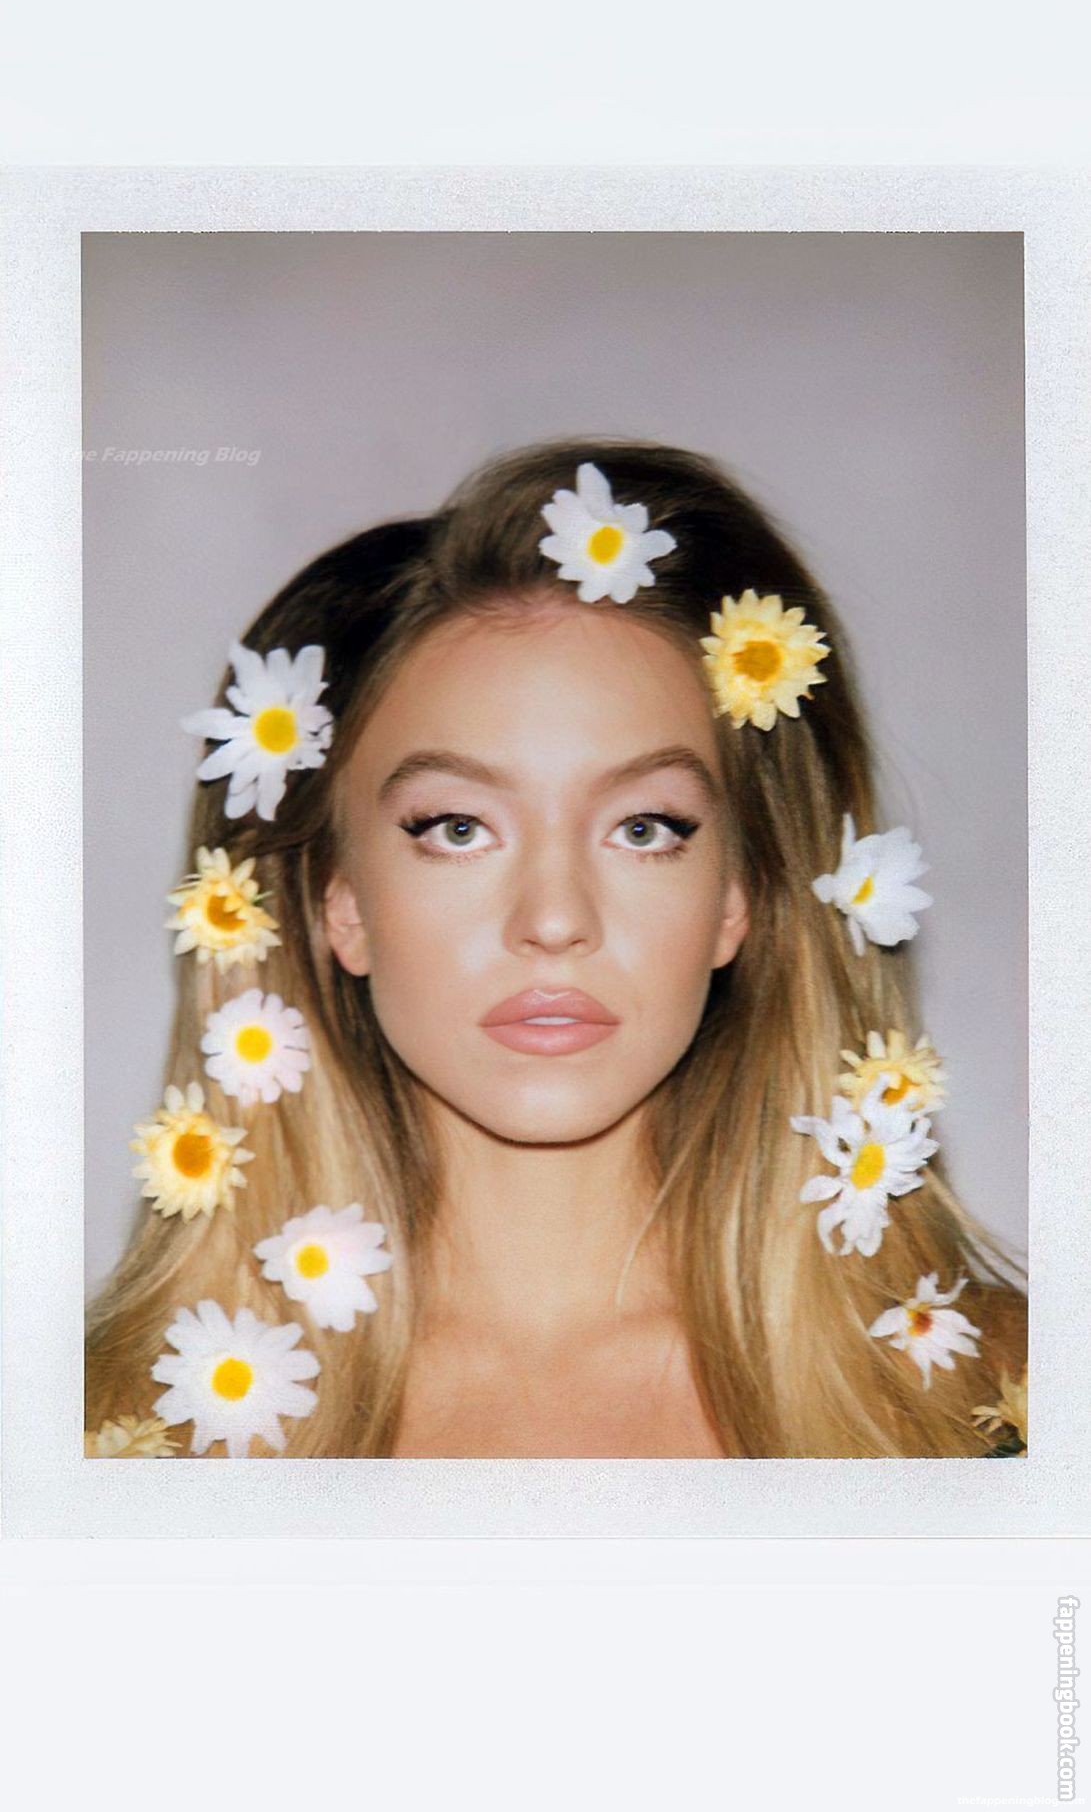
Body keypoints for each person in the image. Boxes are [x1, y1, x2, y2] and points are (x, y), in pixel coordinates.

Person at [84, 437, 1027, 1459]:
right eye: (457, 828)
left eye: (642, 828)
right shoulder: (100, 1438)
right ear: (336, 902)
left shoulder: (1009, 1403)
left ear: (738, 898)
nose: (552, 918)